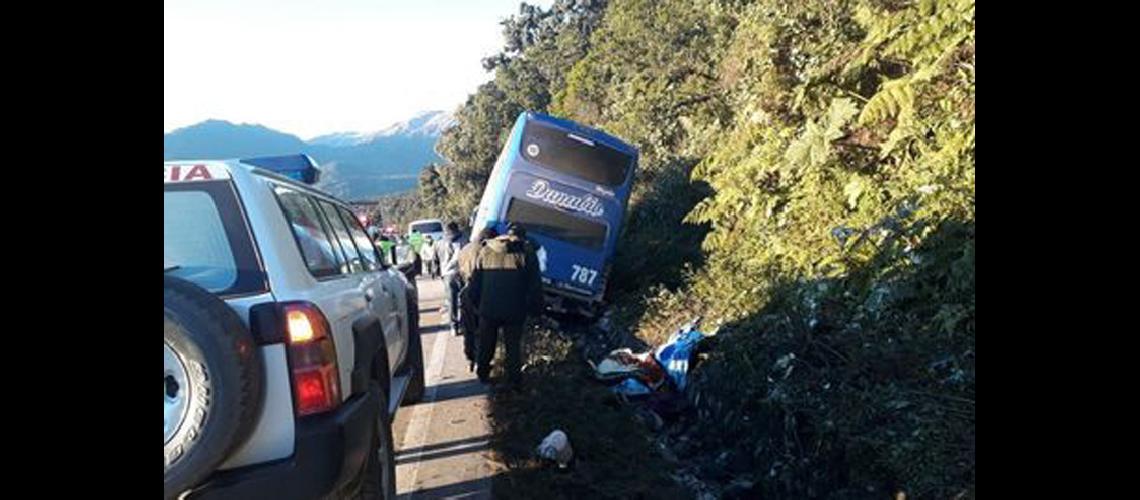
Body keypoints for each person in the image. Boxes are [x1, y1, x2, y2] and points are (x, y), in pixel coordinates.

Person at [468, 223, 543, 386]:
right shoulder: (526, 252)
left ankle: (482, 374)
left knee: (486, 343)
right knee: (513, 347)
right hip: (515, 308)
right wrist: (536, 310)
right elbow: (535, 285)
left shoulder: (486, 249)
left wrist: (475, 303)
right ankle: (514, 382)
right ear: (523, 237)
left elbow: (476, 280)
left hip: (488, 307)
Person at [457, 227, 497, 369]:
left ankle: (470, 356)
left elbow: (460, 271)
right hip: (482, 293)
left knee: (468, 328)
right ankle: (482, 360)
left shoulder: (464, 249)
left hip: (466, 292)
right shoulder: (486, 251)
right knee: (483, 328)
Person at [436, 222, 467, 336]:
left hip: (447, 274)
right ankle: (464, 323)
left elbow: (436, 259)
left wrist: (439, 273)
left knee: (451, 301)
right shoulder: (463, 241)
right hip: (460, 273)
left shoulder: (439, 242)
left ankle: (453, 326)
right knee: (463, 299)